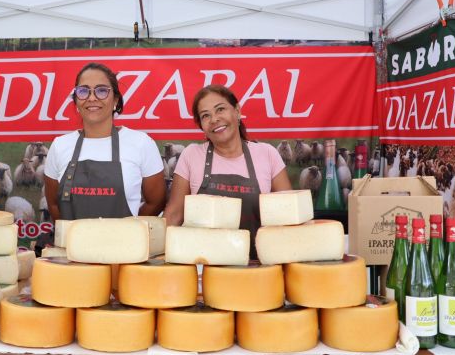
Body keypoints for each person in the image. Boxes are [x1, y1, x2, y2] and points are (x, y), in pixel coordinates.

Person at [164, 84, 292, 258]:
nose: (214, 119)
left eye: (220, 109)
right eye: (205, 116)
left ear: (237, 111)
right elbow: (173, 216)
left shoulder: (267, 154)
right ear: (201, 125)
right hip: (205, 268)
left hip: (258, 268)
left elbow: (289, 215)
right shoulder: (191, 155)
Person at [44, 63, 166, 225]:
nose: (92, 98)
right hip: (73, 248)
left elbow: (156, 202)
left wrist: (131, 229)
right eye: (83, 91)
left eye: (101, 90)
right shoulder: (60, 146)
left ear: (115, 99)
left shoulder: (141, 143)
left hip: (124, 247)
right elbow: (53, 205)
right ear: (76, 101)